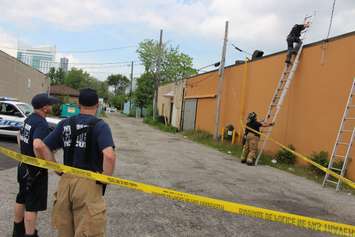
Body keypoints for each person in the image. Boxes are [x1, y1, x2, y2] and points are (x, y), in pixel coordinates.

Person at [34, 88, 116, 237]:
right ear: (97, 104)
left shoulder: (65, 123)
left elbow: (43, 146)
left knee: (65, 231)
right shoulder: (101, 126)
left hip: (66, 182)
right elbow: (109, 156)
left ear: (79, 104)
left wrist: (56, 168)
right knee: (88, 231)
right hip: (89, 184)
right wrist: (105, 178)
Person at [13, 93, 59, 237]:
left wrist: (25, 152)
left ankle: (17, 231)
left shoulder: (29, 119)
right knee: (32, 206)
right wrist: (42, 162)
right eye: (50, 104)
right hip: (34, 171)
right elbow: (38, 145)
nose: (52, 106)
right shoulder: (41, 123)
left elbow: (18, 136)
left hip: (23, 165)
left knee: (21, 198)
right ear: (45, 107)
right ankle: (29, 234)